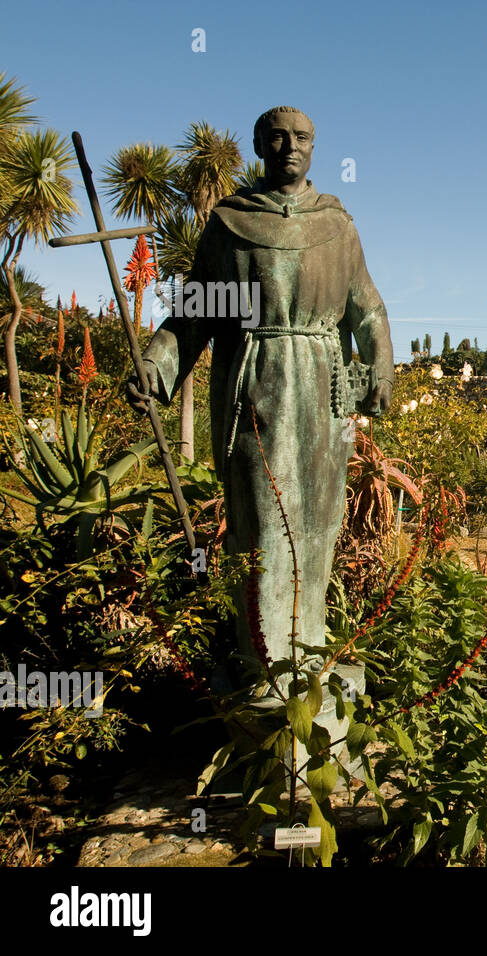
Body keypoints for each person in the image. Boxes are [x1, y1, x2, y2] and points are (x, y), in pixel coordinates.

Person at [127, 105, 393, 678]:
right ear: (257, 145)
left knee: (319, 525)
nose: (289, 147)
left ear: (315, 148)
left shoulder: (338, 225)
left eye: (301, 138)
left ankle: (310, 651)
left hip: (325, 390)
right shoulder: (230, 223)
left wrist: (379, 371)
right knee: (263, 520)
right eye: (277, 137)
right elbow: (195, 315)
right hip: (255, 383)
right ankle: (266, 662)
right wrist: (157, 363)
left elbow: (366, 308)